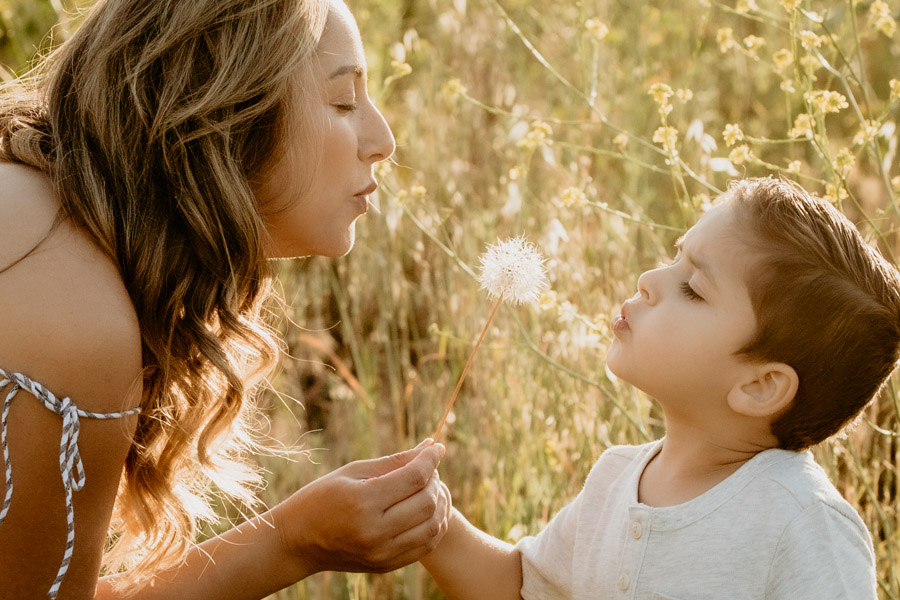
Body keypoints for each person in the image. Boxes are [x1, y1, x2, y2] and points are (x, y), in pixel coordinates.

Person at [0, 0, 451, 598]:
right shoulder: (76, 320)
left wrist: (296, 537)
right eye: (343, 102)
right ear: (227, 112)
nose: (384, 141)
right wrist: (294, 543)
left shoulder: (38, 213)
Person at [420, 177, 899, 599]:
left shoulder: (803, 523)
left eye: (693, 288)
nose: (648, 280)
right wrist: (432, 525)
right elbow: (521, 589)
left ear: (759, 386)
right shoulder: (613, 480)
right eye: (674, 257)